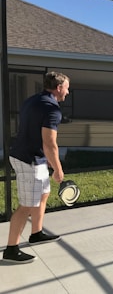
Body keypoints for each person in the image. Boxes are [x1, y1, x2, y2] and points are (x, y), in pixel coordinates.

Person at [3, 72, 70, 263]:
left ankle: (36, 233)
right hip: (28, 160)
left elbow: (34, 132)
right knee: (27, 205)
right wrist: (58, 168)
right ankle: (11, 249)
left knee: (43, 194)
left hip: (31, 156)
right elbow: (49, 143)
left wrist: (47, 159)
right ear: (58, 88)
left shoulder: (32, 101)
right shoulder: (51, 109)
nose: (68, 91)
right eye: (67, 87)